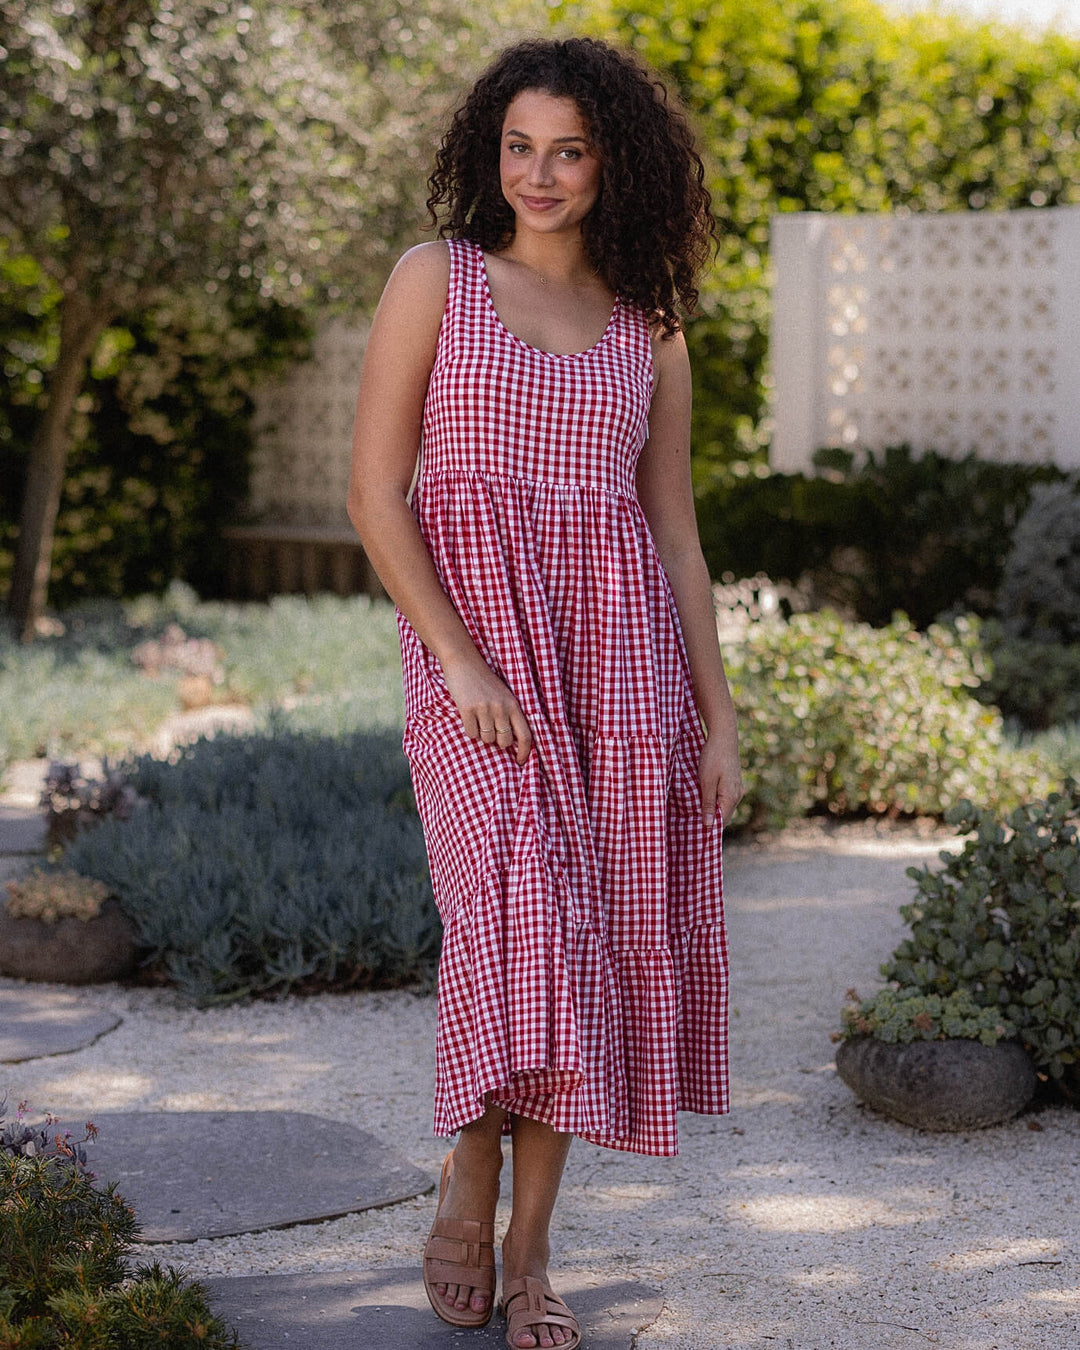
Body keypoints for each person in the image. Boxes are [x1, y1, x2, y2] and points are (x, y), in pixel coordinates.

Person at [348, 35, 742, 1350]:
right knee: (511, 912)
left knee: (585, 942)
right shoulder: (439, 280)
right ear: (488, 152)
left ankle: (527, 1254)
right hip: (478, 669)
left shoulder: (653, 326)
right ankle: (471, 1154)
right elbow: (375, 495)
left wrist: (722, 719)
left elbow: (675, 534)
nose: (540, 172)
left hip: (622, 678)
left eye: (568, 148)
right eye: (519, 146)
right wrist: (460, 657)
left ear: (612, 159)